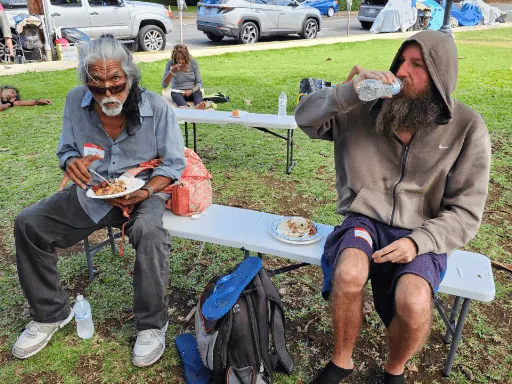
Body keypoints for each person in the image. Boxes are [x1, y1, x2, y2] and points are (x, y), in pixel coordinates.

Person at [295, 30, 491, 384]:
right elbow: (304, 119)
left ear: (440, 75)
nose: (402, 71)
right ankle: (341, 361)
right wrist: (347, 92)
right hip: (364, 219)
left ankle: (394, 370)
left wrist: (419, 242)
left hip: (423, 231)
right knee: (349, 273)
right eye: (402, 60)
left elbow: (467, 211)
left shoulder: (467, 128)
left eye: (417, 65)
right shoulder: (361, 108)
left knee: (414, 302)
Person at [11, 36, 186, 367]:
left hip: (142, 194)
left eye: (116, 83)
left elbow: (174, 165)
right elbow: (67, 149)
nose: (108, 94)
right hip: (93, 193)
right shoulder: (75, 102)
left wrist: (147, 192)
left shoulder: (157, 108)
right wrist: (70, 161)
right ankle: (51, 313)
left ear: (129, 77)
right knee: (30, 223)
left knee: (150, 233)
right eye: (97, 86)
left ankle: (152, 325)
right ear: (85, 82)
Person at [161, 44, 206, 109]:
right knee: (176, 96)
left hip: (192, 90)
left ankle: (198, 106)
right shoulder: (170, 63)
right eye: (177, 59)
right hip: (177, 91)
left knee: (198, 94)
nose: (180, 61)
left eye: (182, 58)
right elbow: (164, 85)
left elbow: (199, 83)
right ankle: (185, 108)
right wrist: (171, 72)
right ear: (174, 58)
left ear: (187, 58)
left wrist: (191, 91)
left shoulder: (193, 62)